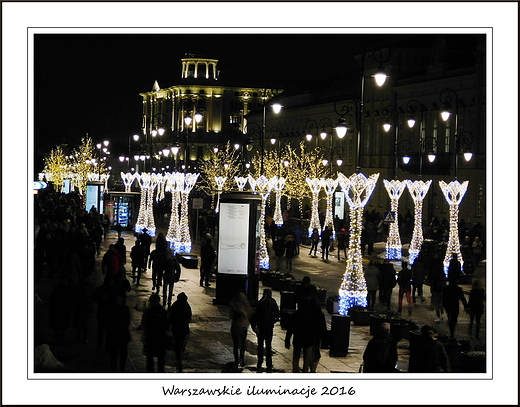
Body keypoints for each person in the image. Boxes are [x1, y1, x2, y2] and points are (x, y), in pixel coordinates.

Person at [251, 289, 280, 373]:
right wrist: (272, 322)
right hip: (268, 327)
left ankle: (260, 362)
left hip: (261, 327)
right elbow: (277, 314)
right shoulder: (272, 302)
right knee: (268, 345)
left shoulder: (260, 303)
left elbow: (254, 316)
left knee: (260, 345)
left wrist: (254, 327)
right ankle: (269, 363)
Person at [141, 293, 169, 373]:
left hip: (152, 338)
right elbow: (167, 325)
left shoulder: (149, 312)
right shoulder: (162, 312)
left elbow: (144, 324)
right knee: (160, 359)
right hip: (159, 338)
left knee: (151, 359)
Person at [105, 295, 131, 372]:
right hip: (117, 333)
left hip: (119, 333)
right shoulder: (116, 309)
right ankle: (117, 368)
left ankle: (119, 368)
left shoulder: (120, 309)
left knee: (121, 352)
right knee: (115, 352)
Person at [167, 292, 192, 373]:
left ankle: (178, 359)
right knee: (180, 343)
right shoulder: (187, 306)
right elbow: (189, 318)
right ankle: (179, 357)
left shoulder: (175, 305)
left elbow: (170, 316)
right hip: (183, 328)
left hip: (177, 327)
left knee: (177, 345)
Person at [442, 270, 468, 339]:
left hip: (448, 305)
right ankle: (452, 331)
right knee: (454, 318)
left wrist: (443, 304)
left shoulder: (446, 288)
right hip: (455, 305)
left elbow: (443, 297)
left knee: (449, 315)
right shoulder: (458, 289)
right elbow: (462, 298)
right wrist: (465, 305)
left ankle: (451, 328)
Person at [229, 292, 252, 368]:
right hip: (243, 327)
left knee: (236, 344)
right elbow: (250, 315)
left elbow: (231, 315)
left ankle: (236, 360)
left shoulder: (233, 304)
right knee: (242, 344)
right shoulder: (247, 305)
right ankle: (241, 359)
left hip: (236, 326)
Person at [429, 253, 446, 322]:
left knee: (437, 302)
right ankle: (441, 312)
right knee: (439, 301)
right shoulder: (440, 267)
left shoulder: (434, 268)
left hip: (436, 287)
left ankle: (439, 315)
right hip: (439, 287)